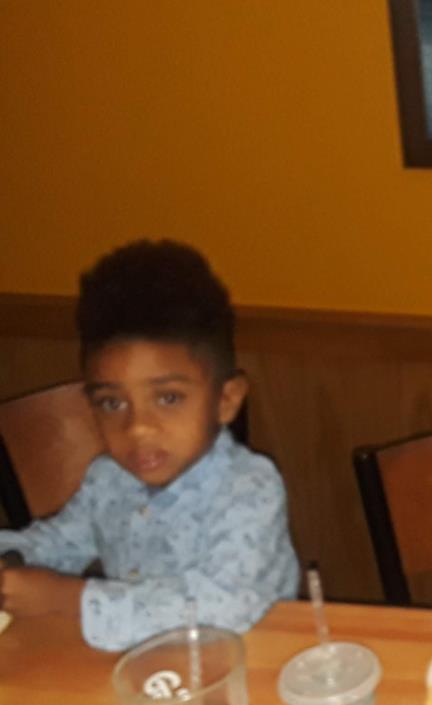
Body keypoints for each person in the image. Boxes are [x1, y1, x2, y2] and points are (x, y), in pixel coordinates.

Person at [0, 240, 299, 651]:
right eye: (112, 403)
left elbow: (222, 608)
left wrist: (68, 598)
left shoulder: (250, 488)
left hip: (250, 668)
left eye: (168, 398)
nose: (138, 427)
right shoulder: (108, 479)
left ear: (226, 400)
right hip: (148, 670)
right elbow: (58, 543)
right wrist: (12, 557)